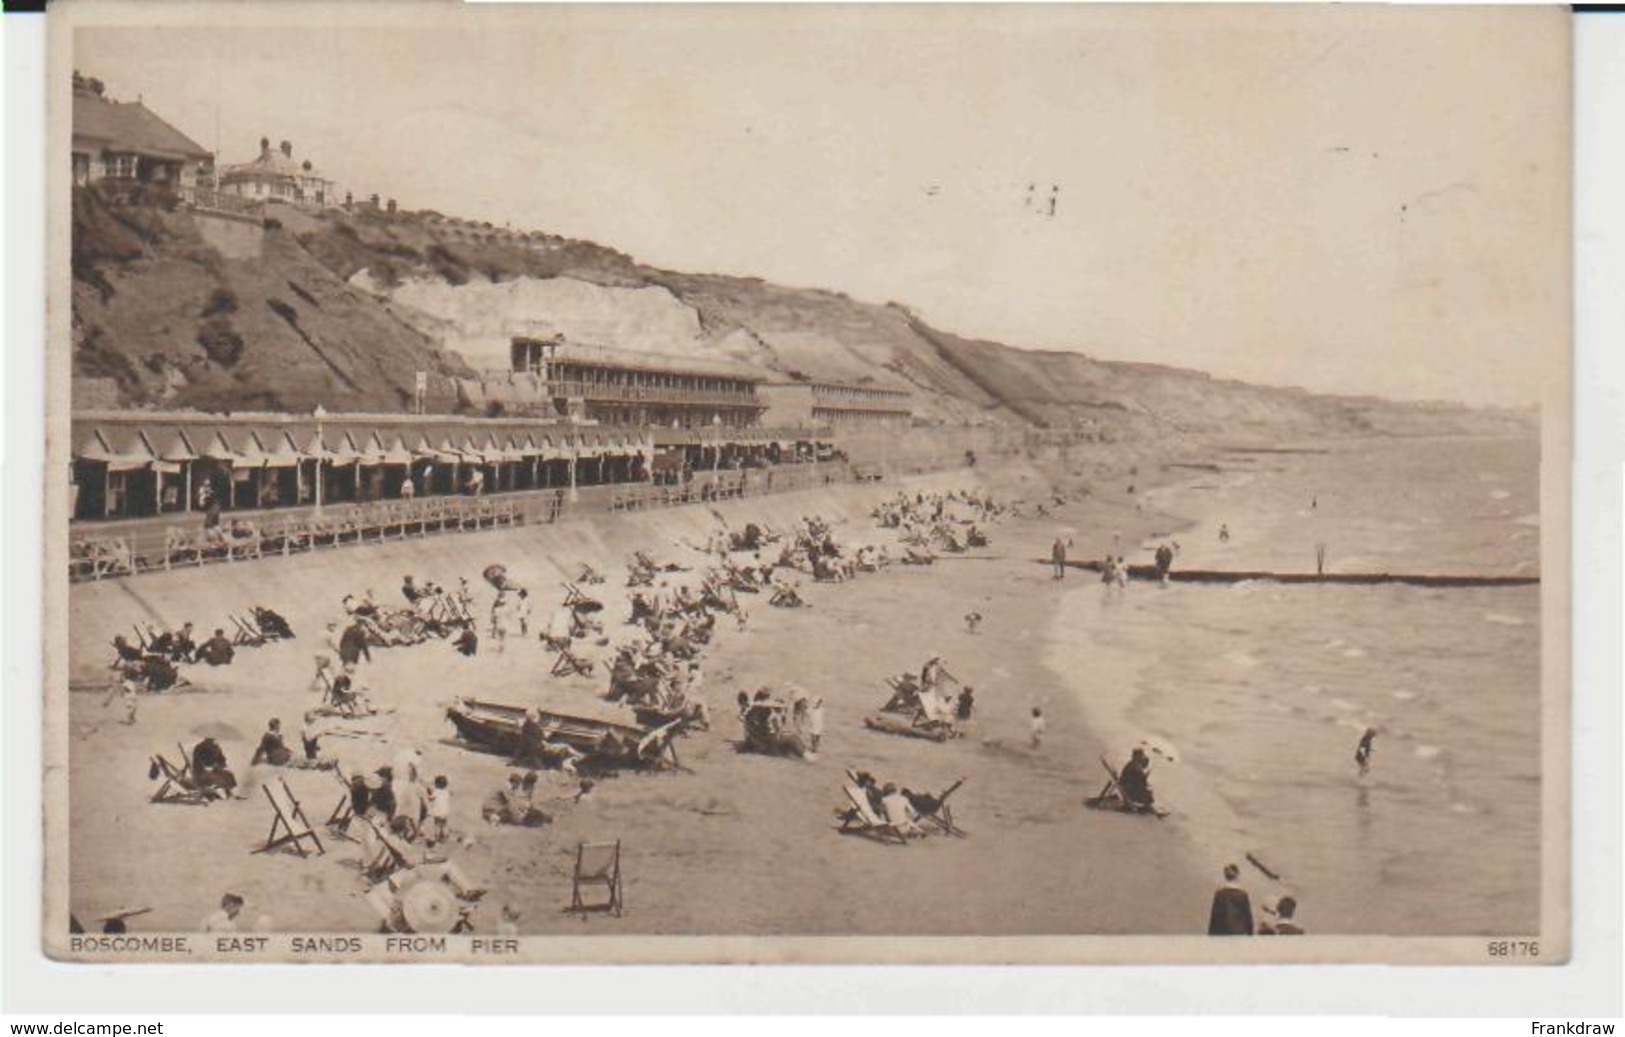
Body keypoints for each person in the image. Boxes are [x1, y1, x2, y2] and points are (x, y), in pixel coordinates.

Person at [1208, 864, 1255, 935]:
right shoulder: (1242, 894)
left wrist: (1211, 933)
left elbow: (1215, 916)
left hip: (1223, 931)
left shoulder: (1220, 894)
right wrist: (1250, 933)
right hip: (1239, 932)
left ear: (1225, 877)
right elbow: (1248, 916)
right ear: (1237, 876)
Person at [426, 775, 451, 845]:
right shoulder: (446, 792)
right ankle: (444, 836)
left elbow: (430, 799)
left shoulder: (436, 791)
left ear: (437, 784)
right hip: (445, 812)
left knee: (437, 825)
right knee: (444, 825)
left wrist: (428, 792)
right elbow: (449, 794)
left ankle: (437, 837)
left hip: (438, 812)